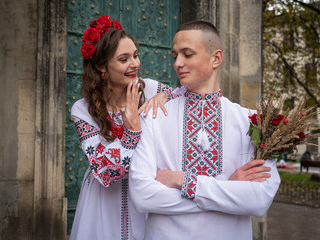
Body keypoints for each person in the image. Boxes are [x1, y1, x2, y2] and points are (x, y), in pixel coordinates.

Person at [129, 20, 281, 239]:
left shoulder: (253, 122)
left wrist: (182, 180)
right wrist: (226, 187)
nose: (177, 63)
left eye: (187, 54)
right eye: (174, 56)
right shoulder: (153, 116)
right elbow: (142, 196)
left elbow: (259, 200)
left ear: (216, 58)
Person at [69, 16, 176, 240]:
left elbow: (186, 93)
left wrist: (166, 95)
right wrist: (132, 132)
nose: (135, 64)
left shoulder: (151, 89)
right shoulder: (83, 110)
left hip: (146, 194)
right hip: (104, 201)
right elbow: (105, 172)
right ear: (101, 65)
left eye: (136, 55)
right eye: (124, 59)